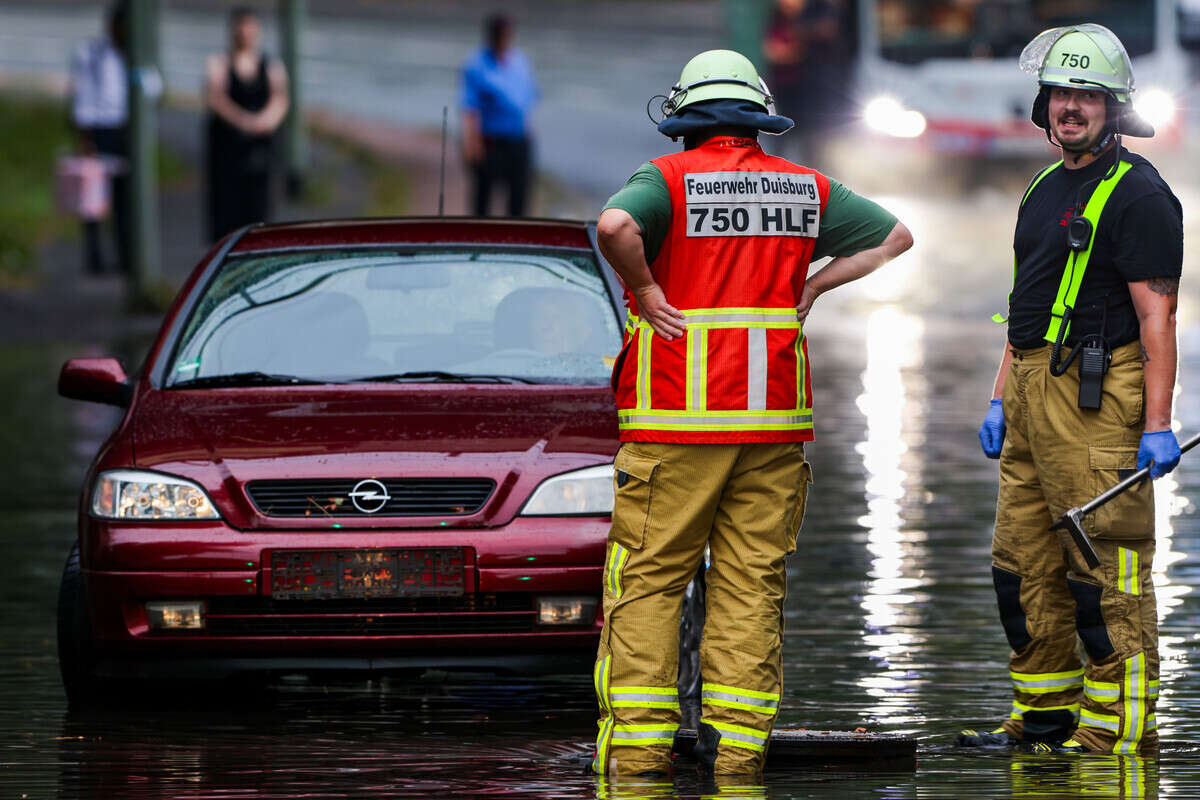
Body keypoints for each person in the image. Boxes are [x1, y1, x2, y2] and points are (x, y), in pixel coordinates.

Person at [592, 49, 912, 777]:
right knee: (750, 582)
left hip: (677, 420)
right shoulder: (805, 188)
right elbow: (895, 236)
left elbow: (614, 228)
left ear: (685, 119)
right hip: (772, 423)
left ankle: (637, 764)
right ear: (759, 117)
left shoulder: (666, 180)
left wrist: (643, 288)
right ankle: (738, 758)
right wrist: (817, 286)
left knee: (648, 580)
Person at [959, 23, 1182, 755]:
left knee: (1104, 576)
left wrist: (1157, 423)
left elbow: (1158, 318)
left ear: (1114, 107)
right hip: (1029, 392)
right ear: (1043, 104)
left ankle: (1119, 735)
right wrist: (999, 395)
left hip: (1096, 402)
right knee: (1020, 568)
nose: (1070, 108)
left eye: (1087, 95)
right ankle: (1045, 719)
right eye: (1060, 93)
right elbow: (1026, 304)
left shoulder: (1142, 195)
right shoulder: (1043, 186)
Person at [204, 6, 289, 242]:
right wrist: (243, 121)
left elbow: (280, 99)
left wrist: (263, 122)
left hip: (260, 151)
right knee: (226, 212)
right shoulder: (218, 63)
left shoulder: (271, 66)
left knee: (260, 212)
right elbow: (215, 97)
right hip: (228, 151)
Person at [68, 1, 130, 275]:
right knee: (94, 199)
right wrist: (85, 137)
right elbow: (82, 96)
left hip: (125, 130)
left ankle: (127, 255)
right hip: (99, 130)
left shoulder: (136, 55)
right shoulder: (92, 54)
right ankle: (95, 257)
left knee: (126, 198)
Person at [460, 13, 539, 217]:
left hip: (518, 140)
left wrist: (528, 129)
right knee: (483, 198)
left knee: (519, 197)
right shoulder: (477, 64)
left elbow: (526, 100)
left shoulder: (520, 61)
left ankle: (517, 240)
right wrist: (472, 142)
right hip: (490, 142)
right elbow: (470, 107)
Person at [762, 0, 849, 161]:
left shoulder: (812, 18)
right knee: (782, 136)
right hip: (784, 88)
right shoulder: (779, 22)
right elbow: (775, 52)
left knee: (809, 139)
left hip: (808, 90)